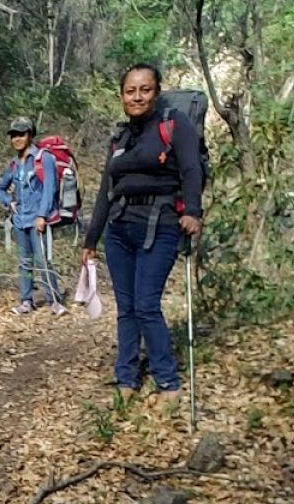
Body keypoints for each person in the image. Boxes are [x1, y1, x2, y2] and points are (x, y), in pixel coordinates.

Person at [81, 64, 203, 404]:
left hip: (160, 223)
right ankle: (126, 377)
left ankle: (168, 383)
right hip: (119, 229)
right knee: (127, 307)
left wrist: (192, 211)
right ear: (122, 95)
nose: (137, 96)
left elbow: (192, 169)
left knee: (147, 305)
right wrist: (91, 239)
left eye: (145, 89)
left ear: (156, 92)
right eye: (131, 91)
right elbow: (107, 188)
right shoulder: (119, 138)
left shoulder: (174, 125)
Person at [0, 116, 67, 316]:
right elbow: (0, 189)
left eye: (21, 134)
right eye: (13, 135)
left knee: (43, 260)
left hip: (38, 220)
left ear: (30, 134)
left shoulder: (43, 158)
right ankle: (26, 300)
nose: (17, 139)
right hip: (20, 221)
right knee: (24, 262)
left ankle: (54, 300)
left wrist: (42, 216)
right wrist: (9, 202)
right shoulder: (13, 165)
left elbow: (50, 189)